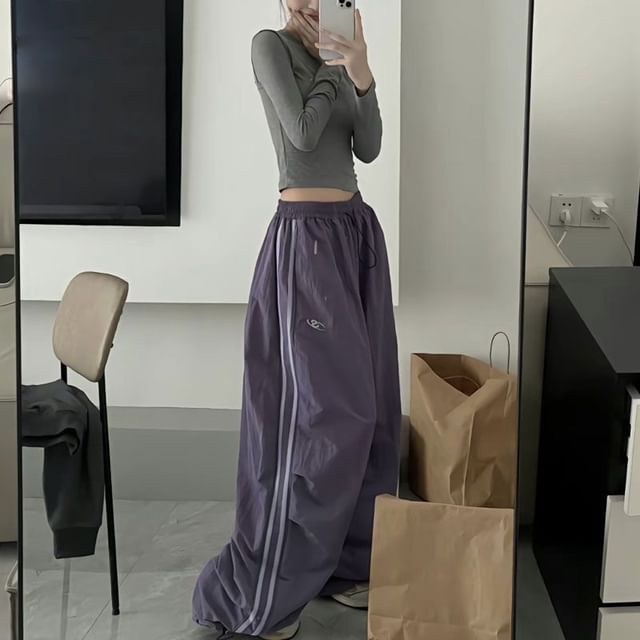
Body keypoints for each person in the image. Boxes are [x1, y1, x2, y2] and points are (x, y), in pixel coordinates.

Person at [192, 3, 401, 638]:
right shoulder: (270, 46)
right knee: (321, 418)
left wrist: (362, 71)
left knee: (373, 410)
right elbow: (304, 134)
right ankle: (267, 590)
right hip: (305, 241)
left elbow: (369, 147)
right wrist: (338, 67)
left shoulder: (341, 57)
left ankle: (348, 564)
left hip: (356, 234)